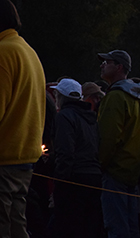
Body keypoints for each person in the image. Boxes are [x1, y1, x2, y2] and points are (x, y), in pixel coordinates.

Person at [0, 2, 46, 236]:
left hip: (4, 158)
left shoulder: (3, 52)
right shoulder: (28, 51)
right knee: (17, 225)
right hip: (24, 158)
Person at [97, 49, 140, 238]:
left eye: (106, 62)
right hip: (132, 170)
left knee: (116, 226)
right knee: (130, 226)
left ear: (118, 67)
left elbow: (109, 138)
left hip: (115, 171)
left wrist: (100, 164)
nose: (102, 65)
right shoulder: (138, 98)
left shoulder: (116, 96)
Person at [50, 79, 103, 238]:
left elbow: (65, 151)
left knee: (70, 226)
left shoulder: (64, 116)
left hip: (74, 178)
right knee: (90, 226)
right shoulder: (91, 116)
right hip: (94, 176)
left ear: (61, 96)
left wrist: (59, 182)